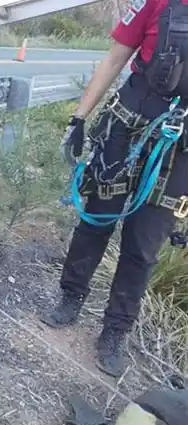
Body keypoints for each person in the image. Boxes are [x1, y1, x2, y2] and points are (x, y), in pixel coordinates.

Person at [40, 0, 188, 377]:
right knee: (96, 221)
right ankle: (71, 297)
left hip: (179, 149)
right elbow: (116, 57)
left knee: (144, 246)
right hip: (126, 127)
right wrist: (78, 119)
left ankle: (114, 332)